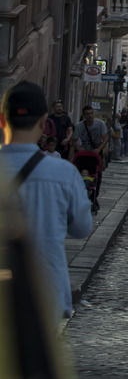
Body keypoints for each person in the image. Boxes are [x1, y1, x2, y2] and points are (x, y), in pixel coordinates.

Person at [0, 81, 94, 324]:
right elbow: (82, 228)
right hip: (45, 295)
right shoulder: (63, 173)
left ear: (2, 121)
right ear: (43, 123)